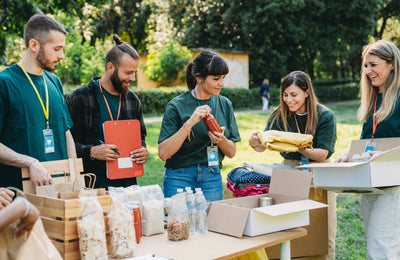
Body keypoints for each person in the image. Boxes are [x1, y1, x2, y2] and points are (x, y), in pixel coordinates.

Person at [249, 71, 337, 260]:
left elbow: (321, 154)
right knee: (288, 224)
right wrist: (255, 141)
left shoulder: (325, 116)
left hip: (319, 171)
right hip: (288, 168)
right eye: (285, 94)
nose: (289, 100)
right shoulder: (279, 115)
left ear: (307, 93)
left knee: (323, 226)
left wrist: (296, 144)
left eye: (294, 95)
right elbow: (262, 147)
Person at [336, 40, 400, 259]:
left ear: (391, 64)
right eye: (365, 66)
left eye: (373, 65)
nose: (367, 71)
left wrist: (390, 153)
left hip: (395, 183)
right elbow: (368, 140)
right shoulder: (373, 99)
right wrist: (348, 154)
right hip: (371, 182)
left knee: (380, 248)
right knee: (382, 246)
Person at [0, 14, 76, 189]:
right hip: (19, 196)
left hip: (59, 190)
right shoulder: (4, 82)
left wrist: (75, 176)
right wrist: (30, 163)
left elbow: (66, 133)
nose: (62, 55)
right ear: (34, 45)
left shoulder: (54, 81)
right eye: (56, 49)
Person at [66, 35, 148, 189]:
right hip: (90, 187)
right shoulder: (79, 98)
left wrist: (143, 151)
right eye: (128, 72)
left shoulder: (133, 100)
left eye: (135, 72)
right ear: (110, 67)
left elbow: (141, 136)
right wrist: (91, 151)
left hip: (126, 187)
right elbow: (63, 144)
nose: (133, 78)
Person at [158, 50, 241, 201]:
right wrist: (189, 123)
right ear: (199, 77)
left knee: (211, 224)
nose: (221, 83)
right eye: (216, 79)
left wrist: (221, 140)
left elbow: (231, 152)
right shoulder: (176, 106)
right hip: (179, 176)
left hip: (212, 175)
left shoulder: (225, 104)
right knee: (178, 224)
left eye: (223, 78)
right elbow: (163, 153)